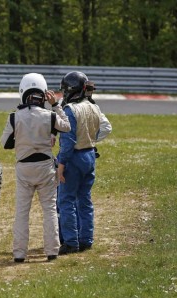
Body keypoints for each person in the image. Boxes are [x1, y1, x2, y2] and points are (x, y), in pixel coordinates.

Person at [1, 73, 71, 262]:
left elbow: (5, 143)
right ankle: (52, 251)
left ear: (22, 92)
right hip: (45, 168)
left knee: (22, 212)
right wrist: (56, 105)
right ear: (43, 93)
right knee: (49, 209)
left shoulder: (14, 117)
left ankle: (19, 254)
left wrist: (23, 139)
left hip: (24, 168)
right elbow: (67, 126)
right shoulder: (49, 115)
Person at [56, 71, 112, 255]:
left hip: (74, 157)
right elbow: (102, 128)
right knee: (85, 200)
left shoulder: (70, 110)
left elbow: (68, 141)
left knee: (66, 201)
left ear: (71, 90)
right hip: (90, 155)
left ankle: (71, 242)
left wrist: (61, 165)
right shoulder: (94, 107)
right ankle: (86, 239)